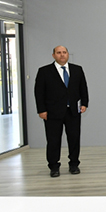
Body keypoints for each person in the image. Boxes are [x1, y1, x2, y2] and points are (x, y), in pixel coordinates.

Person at [34, 46, 89, 177]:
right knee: (53, 140)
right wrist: (41, 110)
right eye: (59, 53)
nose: (62, 55)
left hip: (73, 111)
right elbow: (39, 92)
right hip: (52, 113)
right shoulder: (44, 71)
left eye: (64, 52)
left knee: (74, 139)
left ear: (68, 54)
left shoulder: (77, 69)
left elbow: (83, 88)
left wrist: (84, 103)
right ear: (53, 55)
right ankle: (54, 167)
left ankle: (74, 165)